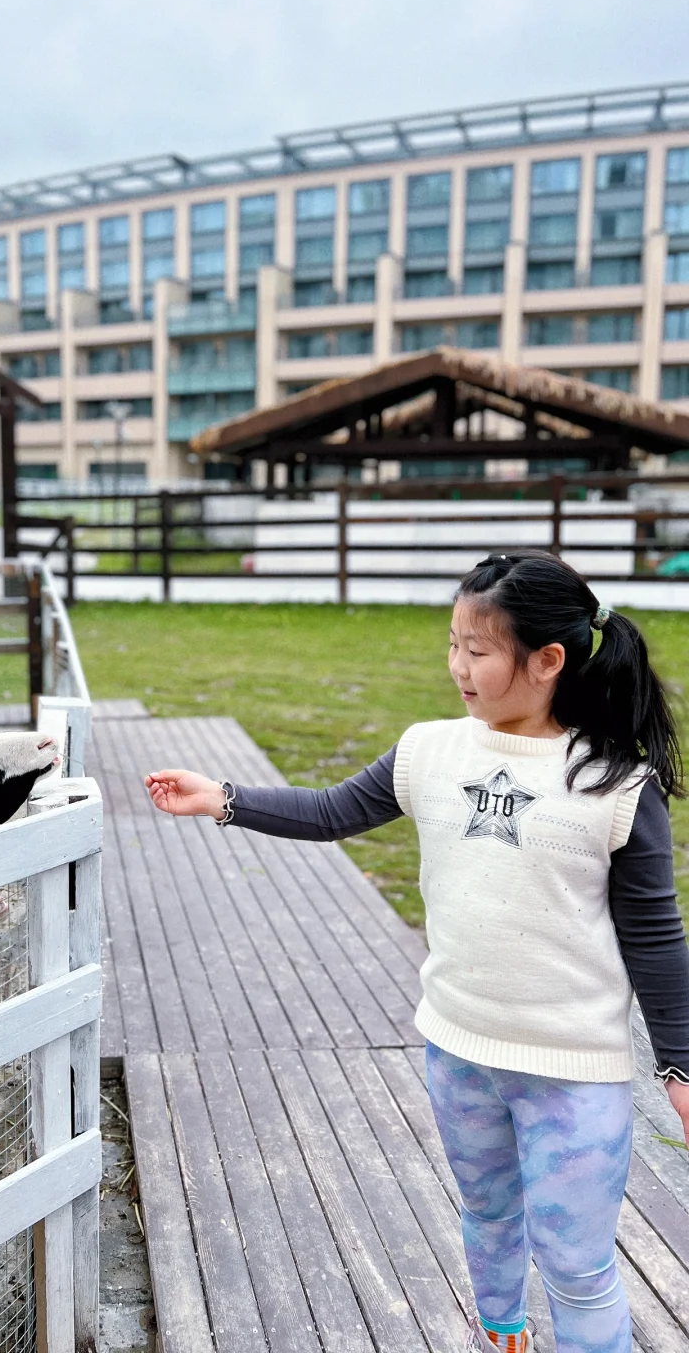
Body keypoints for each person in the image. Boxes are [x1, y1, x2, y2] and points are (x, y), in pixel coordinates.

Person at [144, 550, 689, 1353]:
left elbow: (654, 935)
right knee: (489, 1220)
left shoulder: (615, 785)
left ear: (547, 661)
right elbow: (331, 811)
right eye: (452, 644)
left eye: (479, 649)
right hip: (458, 1053)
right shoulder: (428, 751)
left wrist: (679, 1068)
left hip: (572, 1072)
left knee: (577, 1265)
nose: (458, 666)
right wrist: (223, 798)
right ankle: (504, 1340)